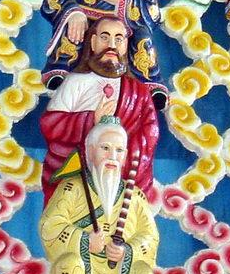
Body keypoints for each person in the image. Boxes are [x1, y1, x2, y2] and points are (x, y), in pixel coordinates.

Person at [36, 117, 162, 274]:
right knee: (70, 264)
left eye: (119, 151)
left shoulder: (135, 196)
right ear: (90, 151)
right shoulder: (73, 187)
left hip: (120, 272)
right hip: (84, 268)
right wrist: (84, 240)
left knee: (143, 272)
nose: (112, 156)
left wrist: (127, 251)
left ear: (125, 156)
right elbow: (51, 224)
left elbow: (150, 236)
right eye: (105, 148)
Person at [40, 16, 159, 204]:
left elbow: (149, 133)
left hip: (119, 175)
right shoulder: (75, 82)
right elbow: (50, 124)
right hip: (78, 175)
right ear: (93, 42)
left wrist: (120, 154)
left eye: (118, 39)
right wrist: (90, 120)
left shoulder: (139, 92)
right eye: (105, 37)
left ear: (125, 45)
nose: (111, 45)